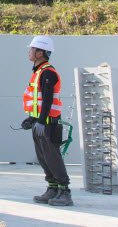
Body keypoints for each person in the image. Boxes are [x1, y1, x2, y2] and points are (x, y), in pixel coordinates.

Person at [21, 35, 73, 207]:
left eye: (32, 49)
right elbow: (38, 101)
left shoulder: (48, 73)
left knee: (52, 157)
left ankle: (64, 192)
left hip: (49, 124)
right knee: (43, 157)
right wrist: (32, 119)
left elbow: (49, 99)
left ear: (40, 53)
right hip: (41, 123)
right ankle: (52, 188)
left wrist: (41, 121)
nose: (29, 52)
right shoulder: (37, 73)